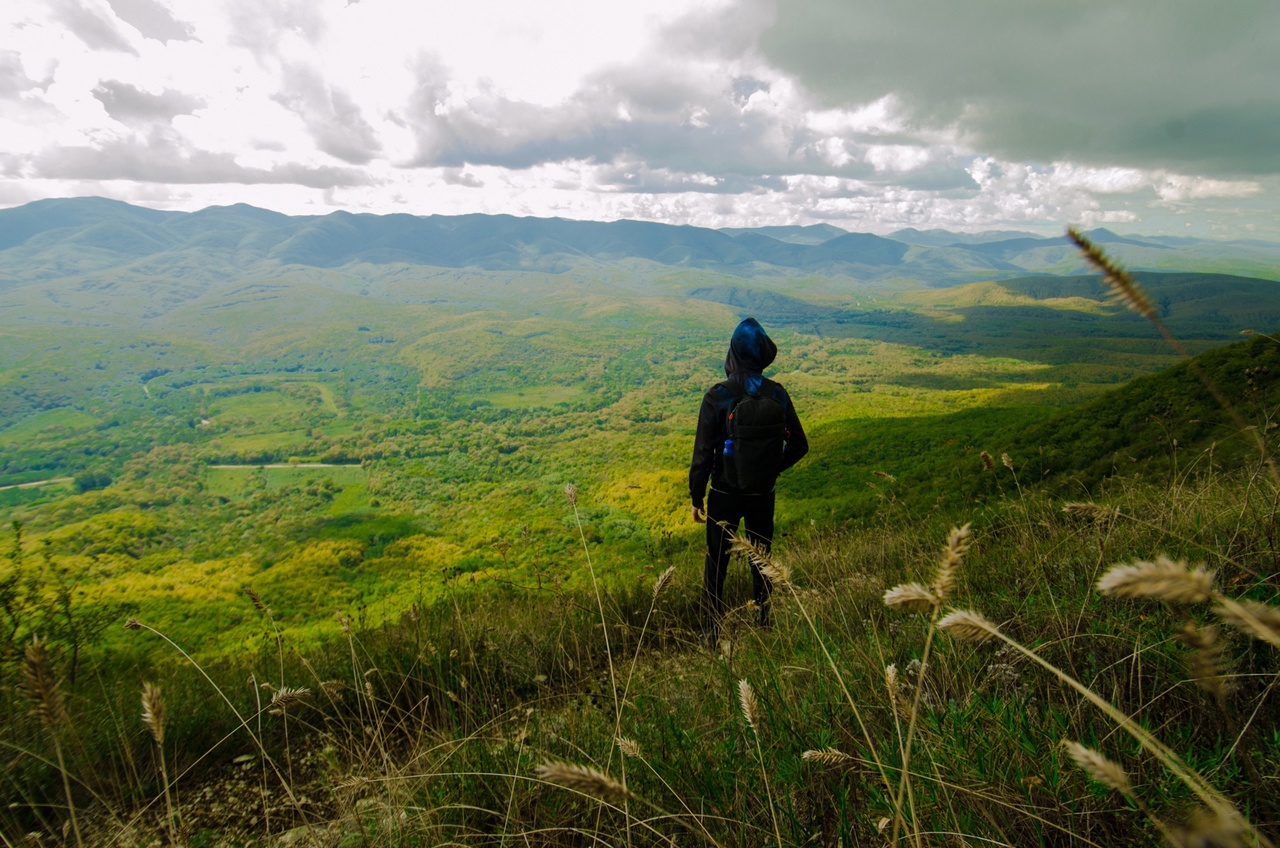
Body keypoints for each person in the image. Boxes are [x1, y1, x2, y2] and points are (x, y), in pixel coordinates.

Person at [689, 317, 807, 642]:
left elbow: (702, 454)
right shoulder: (777, 394)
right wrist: (771, 469)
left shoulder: (717, 396)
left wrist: (696, 498)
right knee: (762, 559)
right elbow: (800, 445)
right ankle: (764, 623)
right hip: (762, 494)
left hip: (724, 493)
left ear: (733, 354)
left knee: (717, 563)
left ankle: (712, 632)